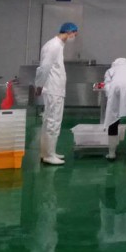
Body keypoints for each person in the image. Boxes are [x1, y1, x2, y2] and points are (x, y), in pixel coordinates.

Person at [35, 22, 78, 165]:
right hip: (54, 89)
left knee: (49, 121)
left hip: (55, 89)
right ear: (69, 32)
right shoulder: (54, 46)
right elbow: (44, 67)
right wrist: (39, 85)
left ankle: (48, 152)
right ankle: (48, 155)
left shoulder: (57, 45)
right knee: (53, 121)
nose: (74, 37)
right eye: (75, 34)